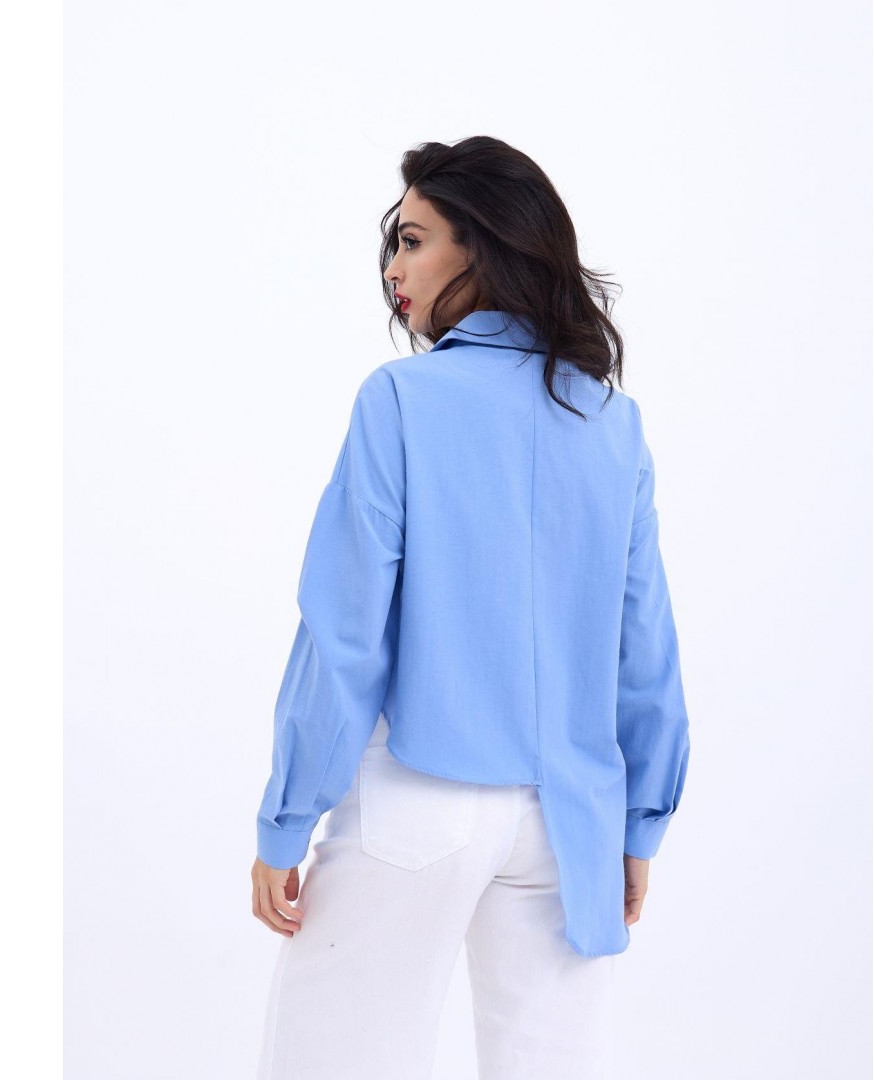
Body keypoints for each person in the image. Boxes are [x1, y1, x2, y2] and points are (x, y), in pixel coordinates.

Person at [251, 135, 691, 1079]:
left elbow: (344, 634)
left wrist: (288, 816)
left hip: (419, 801)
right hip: (567, 828)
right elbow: (644, 646)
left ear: (482, 246)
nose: (392, 268)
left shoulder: (402, 400)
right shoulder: (612, 423)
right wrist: (636, 823)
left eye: (413, 240)